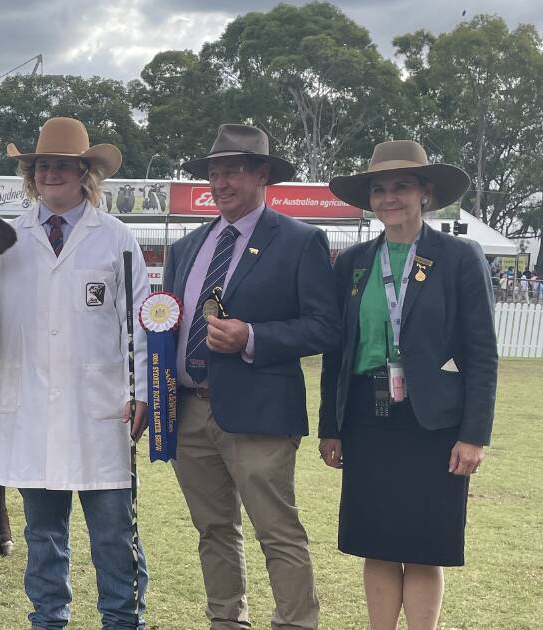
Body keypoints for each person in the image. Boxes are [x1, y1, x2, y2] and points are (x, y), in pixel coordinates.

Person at [0, 116, 150, 630]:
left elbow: (140, 321)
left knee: (115, 534)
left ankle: (123, 621)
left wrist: (140, 391)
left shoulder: (116, 238)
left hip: (101, 409)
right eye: (41, 166)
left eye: (62, 166)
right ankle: (48, 622)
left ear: (84, 173)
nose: (50, 174)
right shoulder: (6, 237)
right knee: (42, 536)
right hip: (30, 407)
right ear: (31, 174)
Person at [162, 124, 340, 629]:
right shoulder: (187, 247)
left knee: (277, 531)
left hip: (260, 412)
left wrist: (254, 337)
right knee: (213, 529)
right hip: (190, 410)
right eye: (214, 173)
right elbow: (167, 325)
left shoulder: (300, 240)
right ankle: (226, 621)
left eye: (234, 171)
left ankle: (295, 622)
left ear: (263, 175)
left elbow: (326, 327)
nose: (221, 182)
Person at [319, 140, 497, 630]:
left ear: (425, 193)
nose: (389, 197)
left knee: (423, 545)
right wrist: (330, 427)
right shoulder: (354, 262)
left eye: (401, 186)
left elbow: (481, 353)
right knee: (374, 540)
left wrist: (474, 434)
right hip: (366, 418)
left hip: (435, 423)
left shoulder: (459, 257)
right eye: (379, 189)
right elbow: (338, 351)